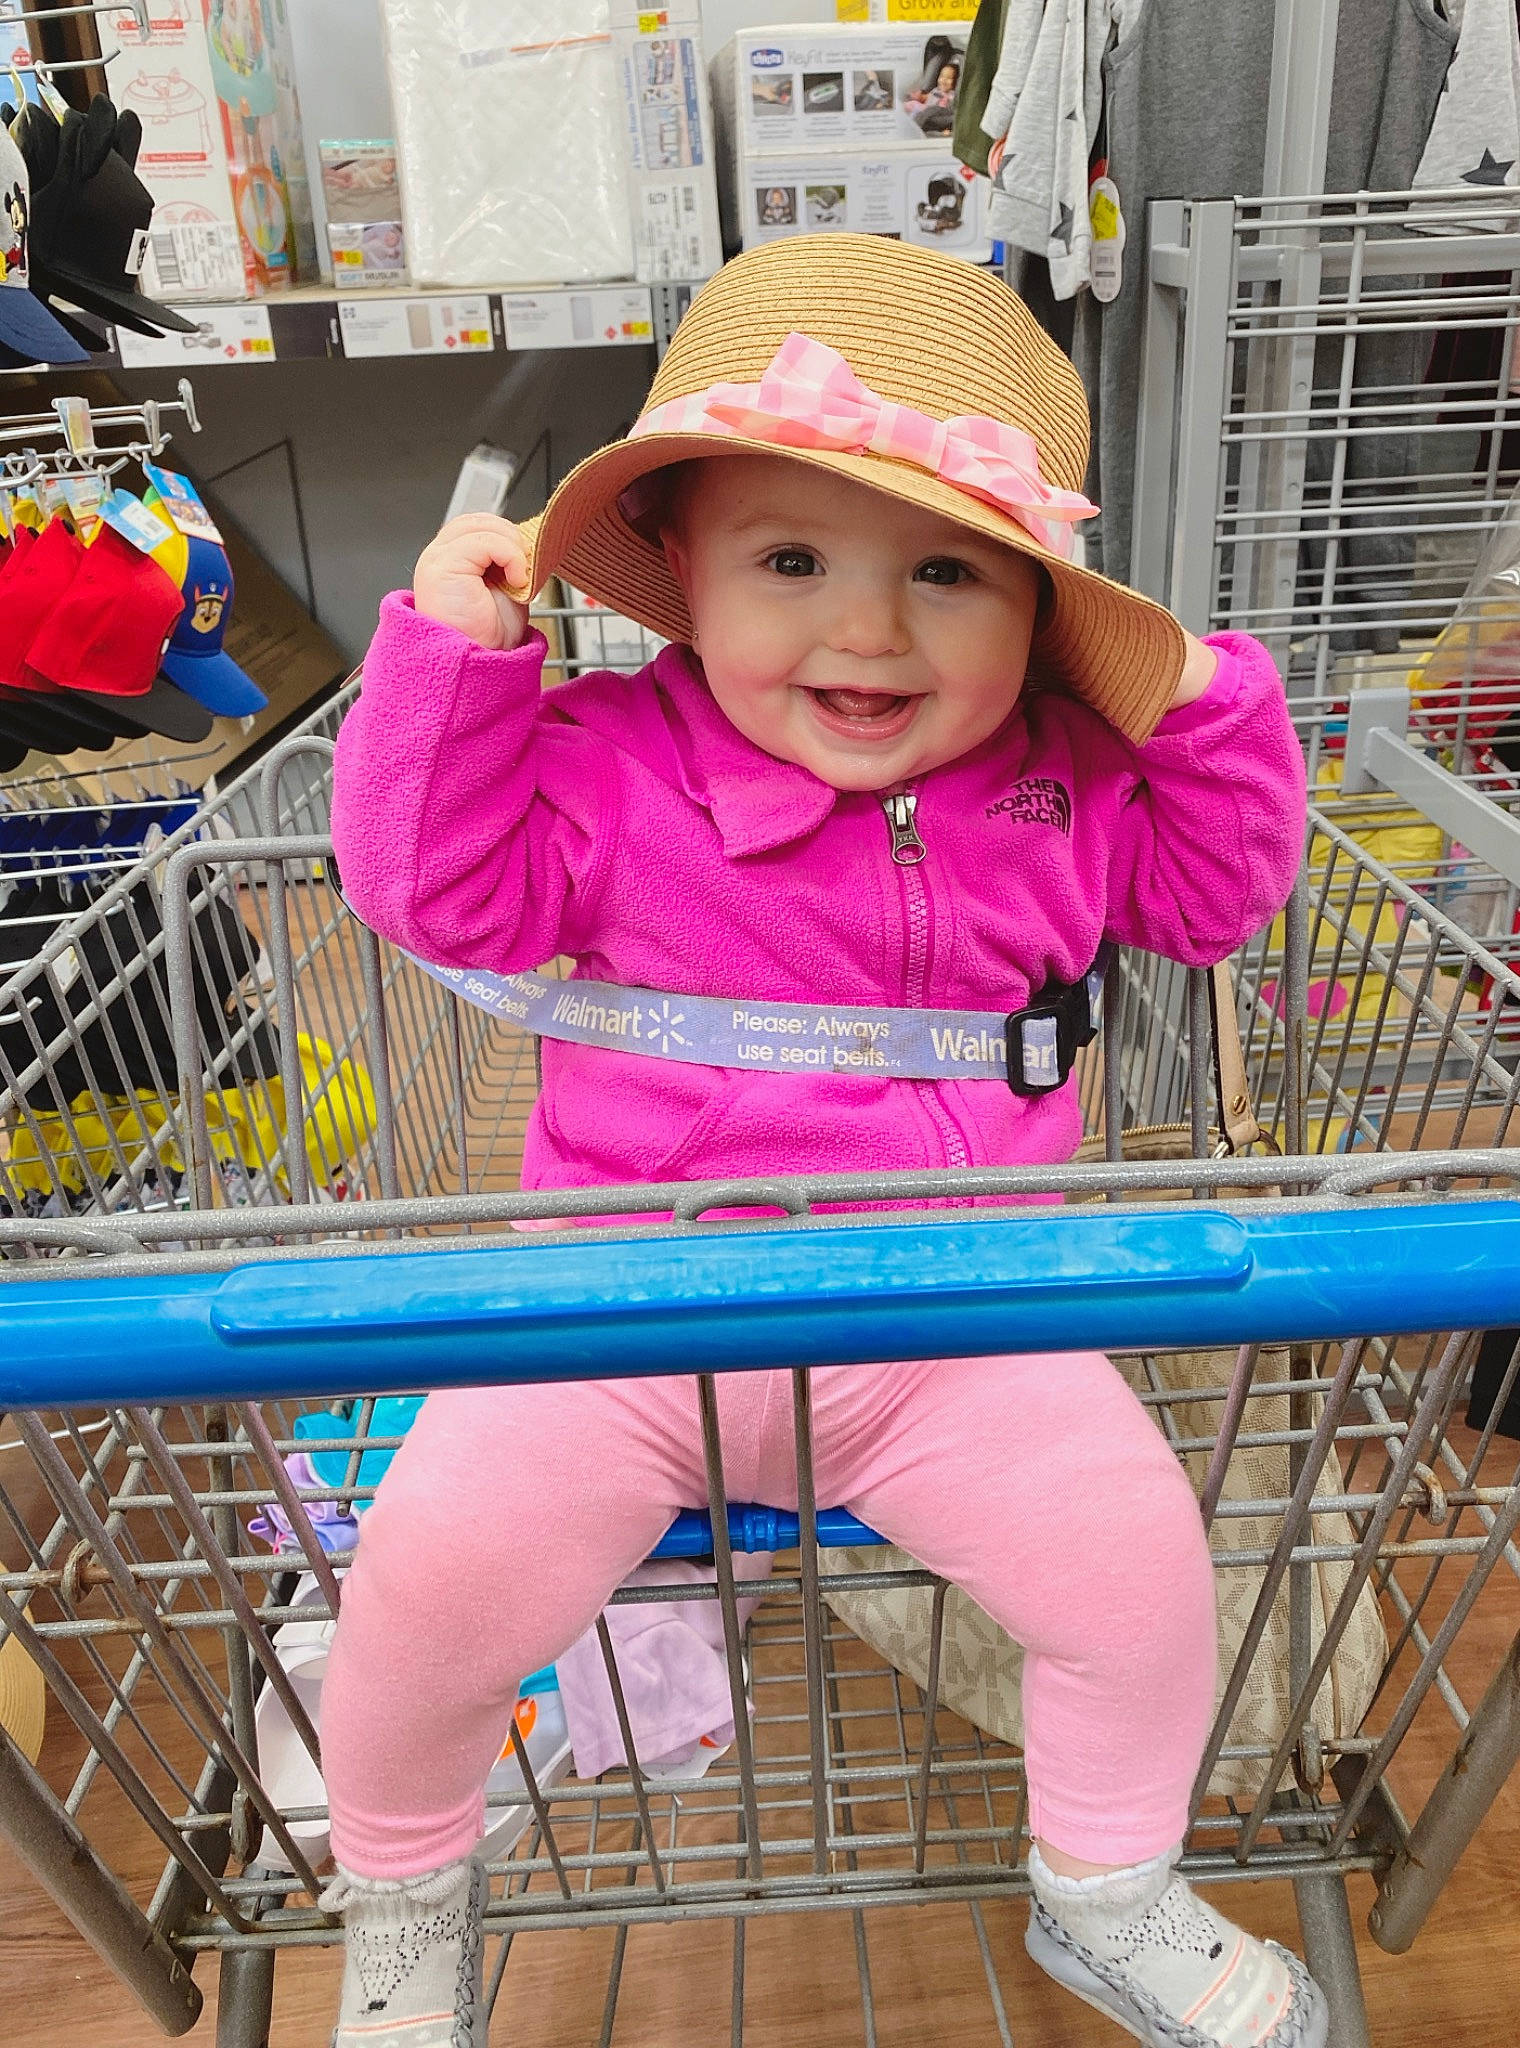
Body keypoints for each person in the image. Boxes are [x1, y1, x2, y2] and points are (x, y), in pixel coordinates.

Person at [320, 234, 1320, 2048]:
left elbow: (1206, 899)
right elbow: (427, 889)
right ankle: (401, 1901)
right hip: (620, 1314)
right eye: (791, 561)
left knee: (1136, 1567)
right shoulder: (603, 759)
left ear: (1033, 611)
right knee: (425, 1593)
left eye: (945, 572)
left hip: (953, 1321)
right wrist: (449, 668)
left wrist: (1208, 714)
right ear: (681, 579)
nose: (865, 633)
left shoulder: (1063, 782)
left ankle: (1105, 1881)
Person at [906, 57, 961, 133]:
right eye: (942, 76)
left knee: (914, 106)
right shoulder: (936, 90)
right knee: (911, 104)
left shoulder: (951, 95)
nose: (944, 80)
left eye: (949, 78)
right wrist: (918, 97)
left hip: (934, 113)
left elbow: (944, 110)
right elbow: (927, 97)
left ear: (955, 81)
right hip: (926, 110)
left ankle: (912, 121)